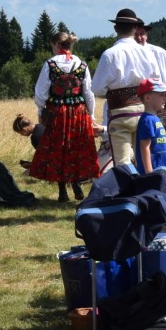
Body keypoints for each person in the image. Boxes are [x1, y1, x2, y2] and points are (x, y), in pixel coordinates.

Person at [29, 27, 101, 200]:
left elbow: (40, 92)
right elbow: (88, 93)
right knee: (77, 147)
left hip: (57, 112)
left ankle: (62, 191)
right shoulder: (82, 64)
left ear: (56, 44)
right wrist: (91, 115)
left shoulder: (50, 64)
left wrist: (41, 110)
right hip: (79, 112)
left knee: (59, 148)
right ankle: (77, 184)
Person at [91, 8, 161, 170]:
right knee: (144, 159)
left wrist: (113, 92)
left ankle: (126, 185)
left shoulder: (110, 54)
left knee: (122, 162)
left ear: (116, 28)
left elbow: (97, 88)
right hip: (144, 110)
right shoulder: (147, 53)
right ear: (135, 28)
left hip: (120, 112)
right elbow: (155, 80)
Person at [135, 18, 166, 139]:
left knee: (159, 143)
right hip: (134, 108)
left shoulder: (159, 53)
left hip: (158, 108)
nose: (139, 38)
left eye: (142, 34)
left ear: (146, 35)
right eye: (135, 34)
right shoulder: (125, 53)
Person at [134, 107, 166, 173]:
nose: (164, 100)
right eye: (161, 96)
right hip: (155, 172)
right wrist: (150, 174)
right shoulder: (147, 120)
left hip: (163, 171)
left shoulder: (155, 118)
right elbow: (144, 147)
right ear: (148, 100)